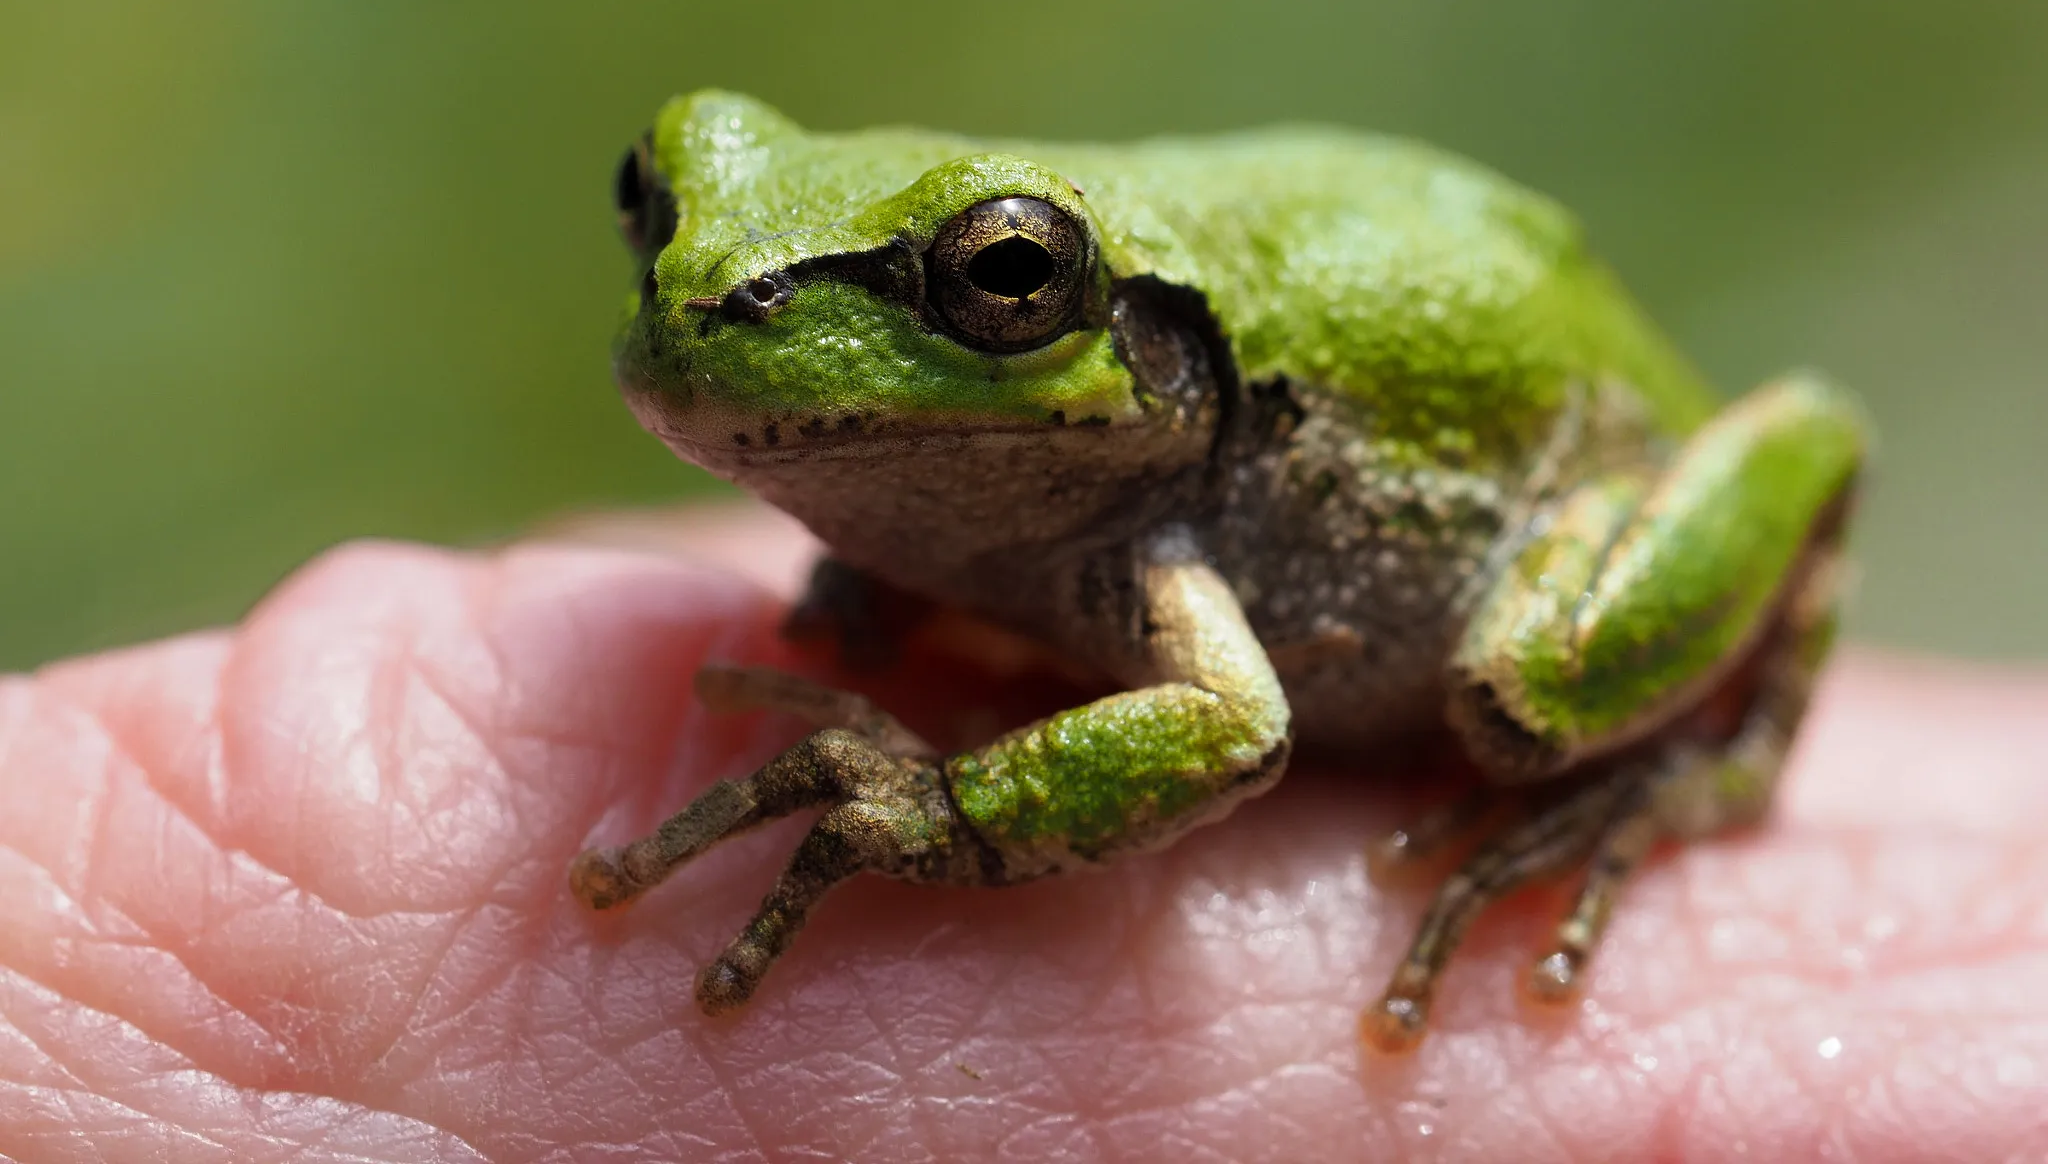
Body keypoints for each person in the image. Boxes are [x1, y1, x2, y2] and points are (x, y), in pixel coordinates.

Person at [1, 508, 2041, 1162]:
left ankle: (1690, 763)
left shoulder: (1153, 526)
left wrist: (943, 800)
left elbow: (1225, 715)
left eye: (988, 292)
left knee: (1525, 699)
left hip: (1534, 508)